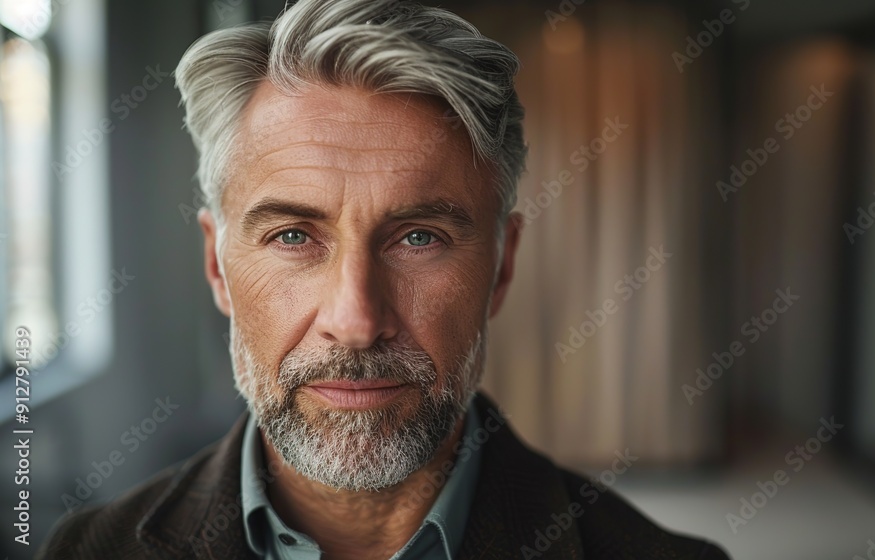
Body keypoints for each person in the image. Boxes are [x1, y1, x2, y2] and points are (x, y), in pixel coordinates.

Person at [38, 0, 729, 558]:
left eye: (419, 237)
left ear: (502, 265)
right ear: (218, 265)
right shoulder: (87, 550)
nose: (358, 319)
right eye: (293, 237)